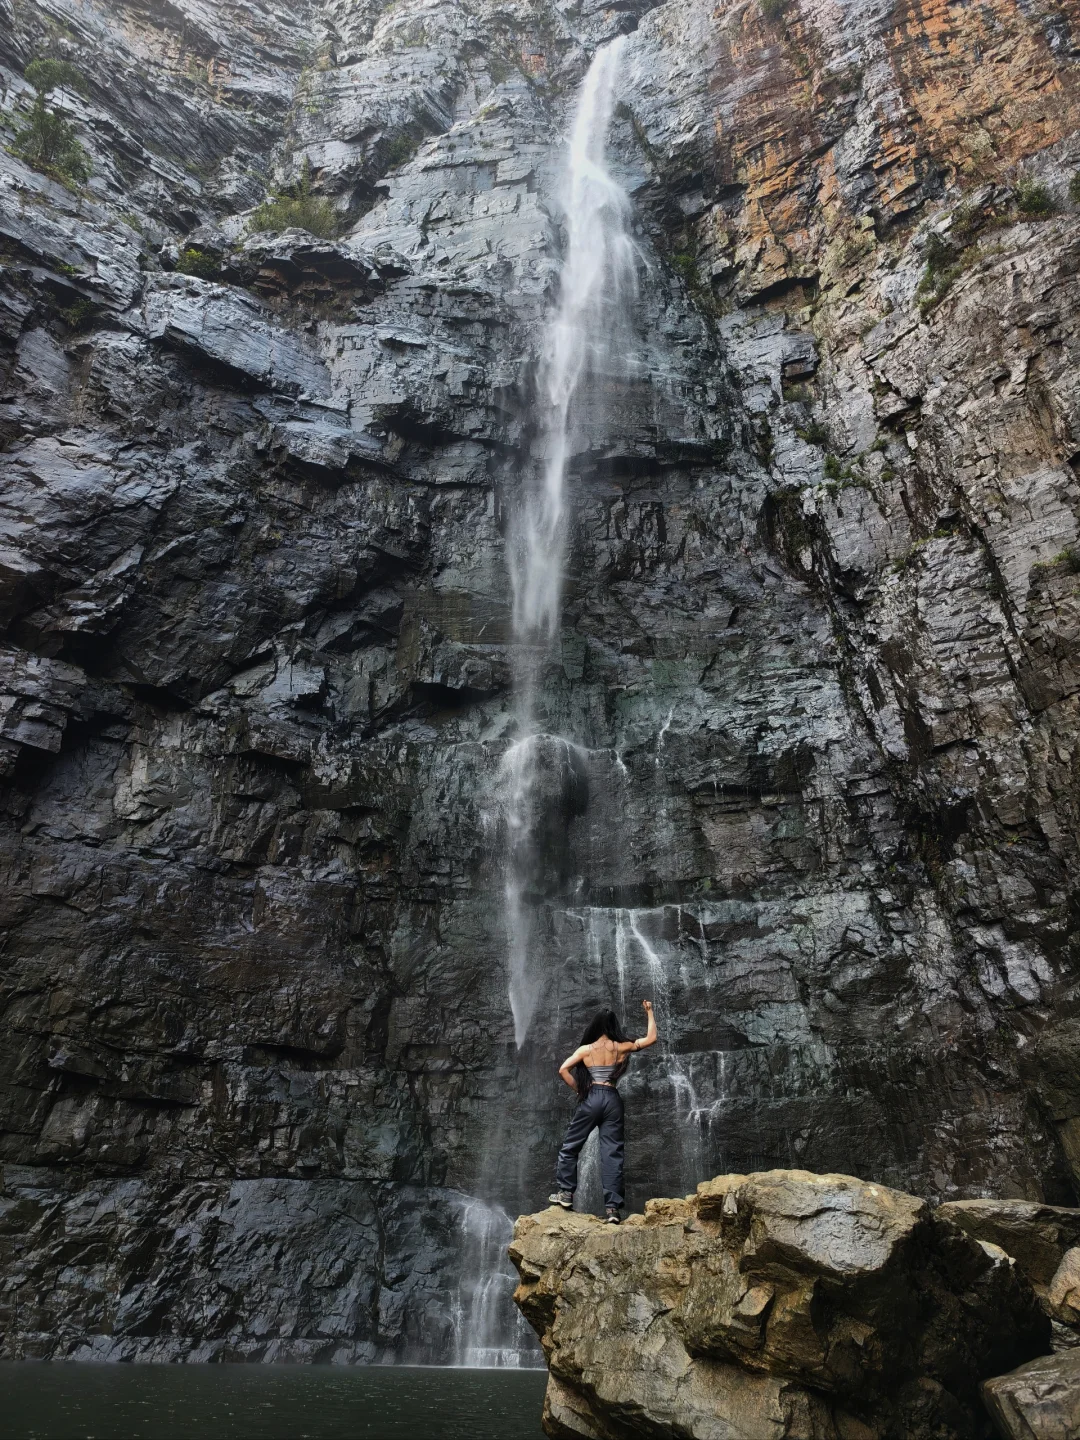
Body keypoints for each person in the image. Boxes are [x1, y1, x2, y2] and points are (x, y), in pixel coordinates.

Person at [548, 999, 657, 1224]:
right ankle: (612, 1211)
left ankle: (566, 1194)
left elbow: (563, 1069)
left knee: (570, 1146)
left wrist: (581, 1089)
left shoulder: (586, 1050)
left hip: (592, 1096)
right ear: (614, 1025)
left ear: (595, 1026)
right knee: (612, 1154)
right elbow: (650, 1039)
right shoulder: (621, 1047)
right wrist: (649, 1012)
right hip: (612, 1098)